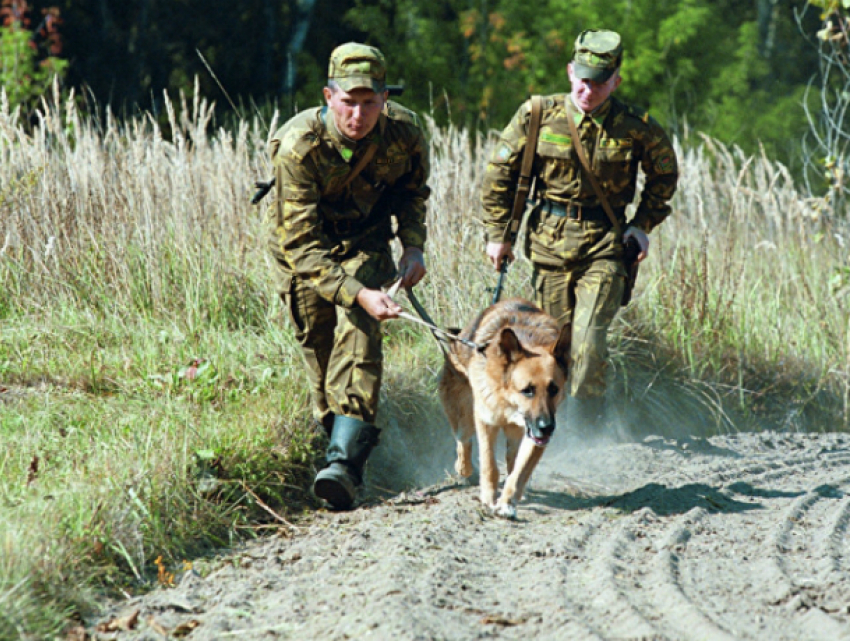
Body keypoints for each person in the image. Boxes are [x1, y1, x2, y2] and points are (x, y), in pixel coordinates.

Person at [480, 29, 678, 426]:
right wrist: (498, 234)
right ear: (571, 73)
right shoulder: (537, 114)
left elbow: (664, 175)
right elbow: (499, 175)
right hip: (549, 246)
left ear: (616, 81)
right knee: (551, 351)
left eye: (600, 83)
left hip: (604, 247)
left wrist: (642, 225)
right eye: (583, 80)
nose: (589, 91)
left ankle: (588, 430)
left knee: (587, 342)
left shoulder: (636, 126)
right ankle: (549, 425)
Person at [267, 42, 429, 510]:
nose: (358, 115)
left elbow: (412, 194)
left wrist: (413, 246)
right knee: (318, 346)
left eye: (369, 103)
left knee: (359, 335)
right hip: (305, 249)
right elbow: (300, 243)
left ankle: (344, 469)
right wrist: (357, 294)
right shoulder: (299, 146)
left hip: (366, 240)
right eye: (348, 102)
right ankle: (335, 443)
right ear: (328, 96)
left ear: (384, 99)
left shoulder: (404, 133)